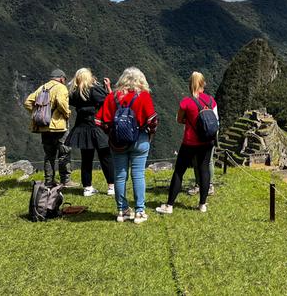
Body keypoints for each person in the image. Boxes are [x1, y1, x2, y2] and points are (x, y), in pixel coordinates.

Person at [96, 67, 157, 224]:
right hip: (140, 140)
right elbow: (152, 120)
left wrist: (111, 134)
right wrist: (150, 133)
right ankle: (139, 212)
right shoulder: (143, 96)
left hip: (117, 143)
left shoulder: (112, 97)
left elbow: (99, 121)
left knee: (120, 175)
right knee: (138, 174)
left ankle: (122, 211)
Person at [156, 71, 217, 215]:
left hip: (190, 142)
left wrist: (189, 121)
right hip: (207, 141)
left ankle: (169, 205)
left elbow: (179, 119)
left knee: (179, 171)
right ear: (203, 84)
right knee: (204, 170)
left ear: (190, 84)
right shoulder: (211, 100)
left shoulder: (186, 102)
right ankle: (202, 205)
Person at [24, 69, 78, 188]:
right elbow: (60, 101)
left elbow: (28, 102)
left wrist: (37, 113)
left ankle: (49, 181)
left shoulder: (42, 87)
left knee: (49, 155)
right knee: (64, 152)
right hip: (59, 127)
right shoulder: (61, 87)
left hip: (44, 126)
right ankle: (66, 180)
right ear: (62, 78)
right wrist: (67, 113)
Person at [66, 68, 114, 196]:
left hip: (81, 127)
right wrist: (107, 87)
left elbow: (70, 100)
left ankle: (87, 187)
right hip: (96, 126)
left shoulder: (74, 93)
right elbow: (109, 101)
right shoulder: (93, 89)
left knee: (86, 159)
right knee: (105, 156)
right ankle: (111, 186)